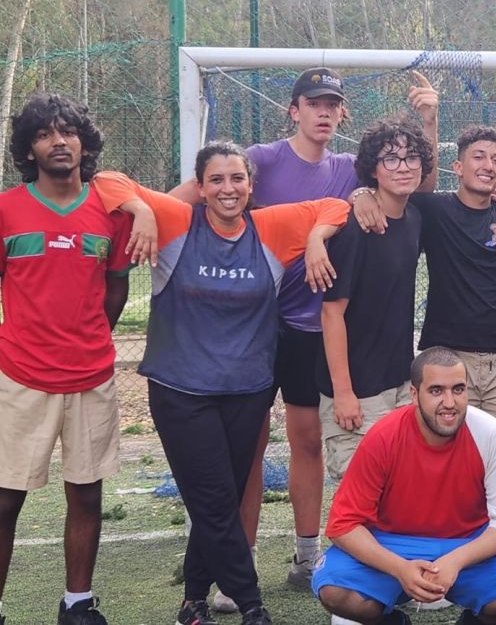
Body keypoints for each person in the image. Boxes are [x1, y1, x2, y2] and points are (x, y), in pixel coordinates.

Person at [171, 68, 440, 606]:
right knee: (243, 450)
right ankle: (232, 563)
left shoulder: (350, 170)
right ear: (293, 110)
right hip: (250, 326)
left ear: (341, 114)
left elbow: (411, 186)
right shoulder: (262, 160)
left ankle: (305, 551)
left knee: (309, 442)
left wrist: (426, 124)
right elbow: (187, 197)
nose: (323, 111)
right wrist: (146, 213)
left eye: (332, 104)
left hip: (307, 329)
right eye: (313, 103)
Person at [92, 141, 350, 625]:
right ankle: (251, 603)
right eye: (216, 180)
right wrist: (140, 212)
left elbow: (336, 205)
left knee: (221, 498)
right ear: (200, 187)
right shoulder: (176, 220)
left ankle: (192, 603)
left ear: (252, 186)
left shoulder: (270, 227)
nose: (228, 189)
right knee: (212, 497)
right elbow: (107, 179)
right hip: (180, 389)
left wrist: (316, 237)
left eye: (237, 179)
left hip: (247, 390)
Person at [352, 115, 496, 459]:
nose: (488, 165)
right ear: (458, 167)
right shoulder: (432, 209)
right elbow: (395, 189)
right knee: (444, 458)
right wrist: (361, 194)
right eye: (478, 157)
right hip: (446, 354)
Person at [0, 93, 151, 625]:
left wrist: (86, 341)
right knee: (4, 501)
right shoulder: (5, 209)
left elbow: (114, 293)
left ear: (84, 143)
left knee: (86, 495)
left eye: (68, 131)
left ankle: (77, 605)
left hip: (90, 376)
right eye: (44, 133)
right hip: (20, 377)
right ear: (29, 148)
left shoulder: (109, 212)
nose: (58, 141)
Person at [312, 347, 496, 625]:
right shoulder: (383, 437)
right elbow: (343, 525)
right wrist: (399, 568)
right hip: (392, 543)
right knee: (335, 591)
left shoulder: (490, 433)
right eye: (436, 391)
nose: (449, 402)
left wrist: (455, 561)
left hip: (466, 541)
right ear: (414, 394)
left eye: (458, 389)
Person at [317, 117, 434, 482]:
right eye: (391, 159)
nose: (403, 167)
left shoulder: (414, 218)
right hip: (358, 392)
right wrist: (344, 393)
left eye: (412, 157)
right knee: (359, 503)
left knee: (400, 495)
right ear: (372, 169)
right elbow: (331, 314)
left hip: (398, 386)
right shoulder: (355, 227)